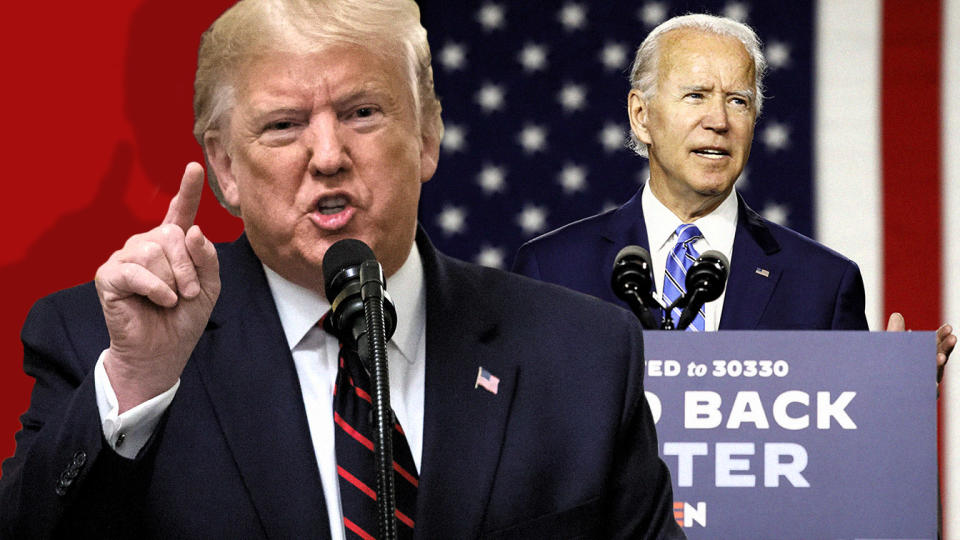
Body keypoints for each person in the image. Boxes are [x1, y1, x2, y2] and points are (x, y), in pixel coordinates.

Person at [0, 1, 683, 538]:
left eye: (362, 113)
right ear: (226, 167)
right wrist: (140, 382)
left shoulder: (583, 354)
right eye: (283, 125)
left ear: (426, 138)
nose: (327, 155)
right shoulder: (104, 341)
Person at [512, 14, 955, 371]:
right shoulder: (551, 270)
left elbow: (842, 447)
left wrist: (891, 397)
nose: (719, 121)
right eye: (696, 96)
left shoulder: (821, 285)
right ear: (641, 115)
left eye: (738, 101)